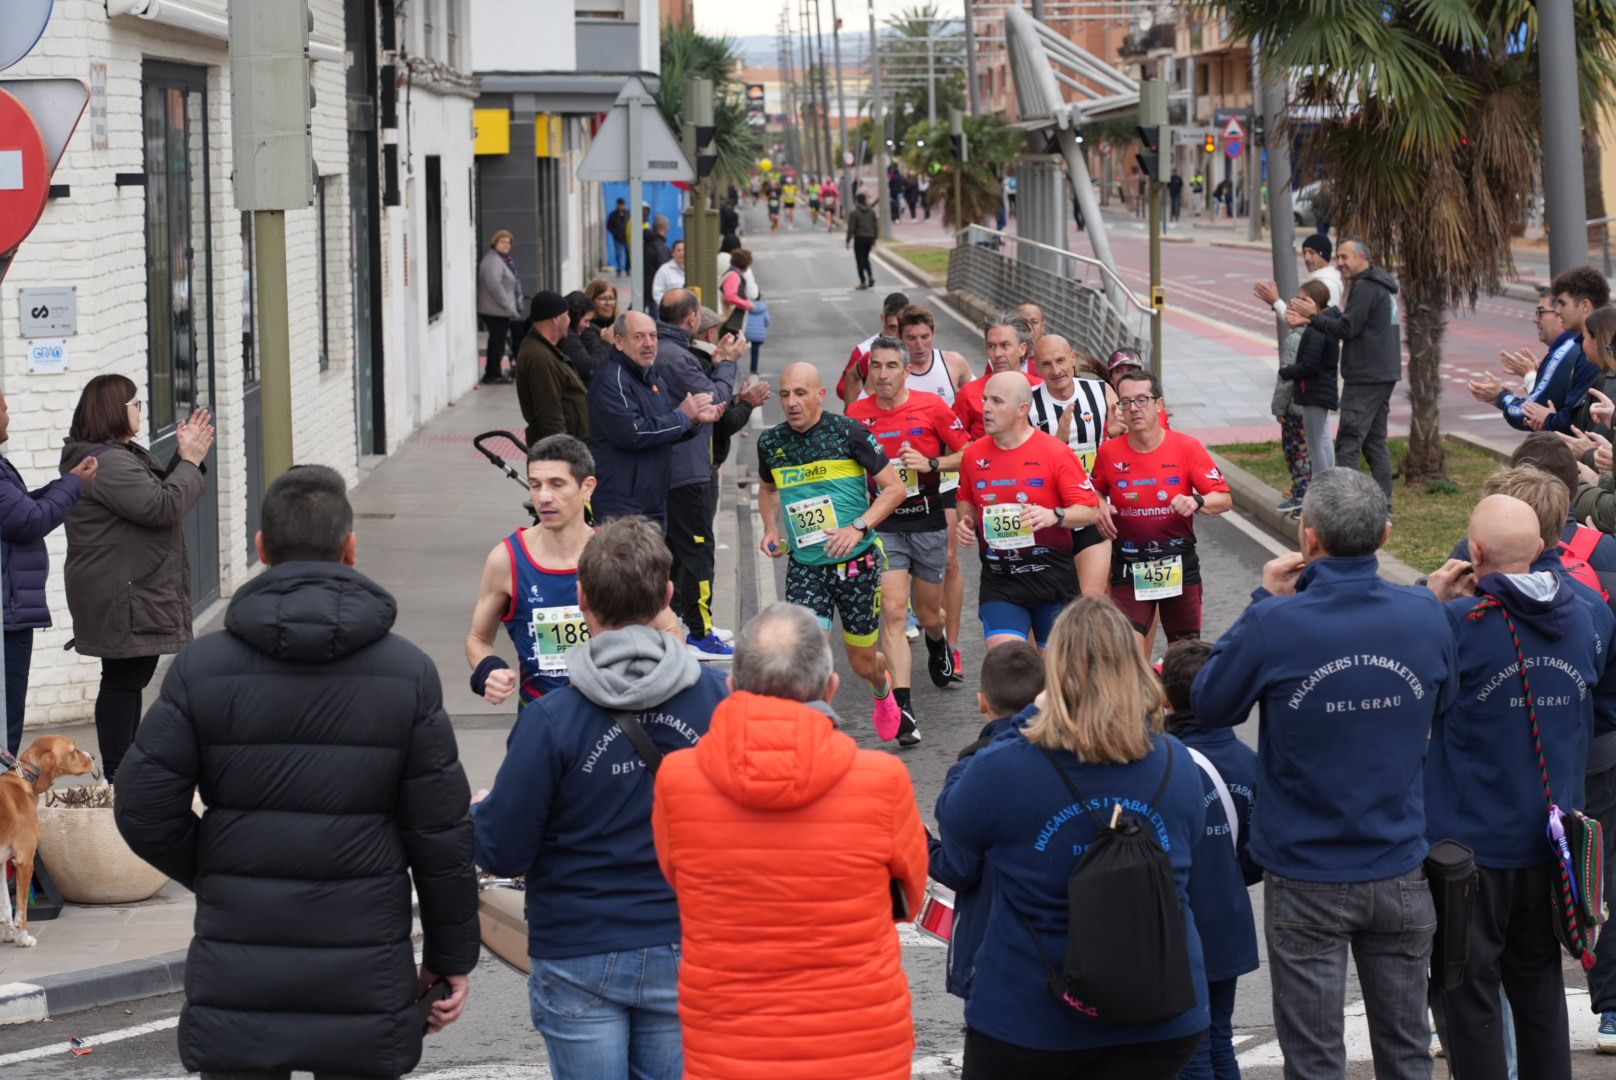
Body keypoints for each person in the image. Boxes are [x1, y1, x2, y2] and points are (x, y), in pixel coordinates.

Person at [114, 465, 477, 1078]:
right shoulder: (408, 673)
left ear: (261, 549)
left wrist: (214, 864)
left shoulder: (202, 668)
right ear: (350, 549)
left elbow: (141, 805)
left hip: (240, 972)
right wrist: (450, 956)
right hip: (363, 968)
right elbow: (439, 832)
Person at [1191, 468, 1457, 1080]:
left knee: (1313, 1058)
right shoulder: (1424, 614)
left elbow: (1209, 705)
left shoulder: (1274, 623)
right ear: (1385, 532)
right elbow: (1444, 704)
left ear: (1308, 539)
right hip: (1398, 862)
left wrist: (1264, 599)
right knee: (1406, 1049)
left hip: (1307, 869)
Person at [474, 516, 727, 1080]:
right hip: (686, 938)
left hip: (578, 944)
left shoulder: (550, 719)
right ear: (666, 595)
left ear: (582, 599)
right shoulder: (717, 702)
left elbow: (503, 852)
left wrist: (478, 812)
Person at [651, 601, 929, 1080]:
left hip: (728, 1050)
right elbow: (907, 899)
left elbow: (677, 877)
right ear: (831, 688)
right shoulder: (882, 781)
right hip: (859, 1048)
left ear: (732, 687)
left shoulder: (679, 780)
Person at [935, 598, 1210, 1078]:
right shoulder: (1177, 762)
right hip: (1162, 1011)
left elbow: (954, 821)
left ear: (1053, 672)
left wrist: (1022, 719)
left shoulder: (1006, 765)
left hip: (1033, 1017)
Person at [1423, 491, 1611, 1080]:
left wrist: (1430, 600)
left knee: (1468, 993)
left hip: (1468, 851)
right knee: (1540, 986)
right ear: (1540, 548)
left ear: (1473, 551)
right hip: (1552, 842)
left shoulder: (1456, 623)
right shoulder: (1586, 616)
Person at [61, 375, 212, 782]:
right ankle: (118, 773)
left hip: (125, 588)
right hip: (120, 592)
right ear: (114, 411)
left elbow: (158, 495)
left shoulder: (120, 455)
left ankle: (124, 770)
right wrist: (191, 462)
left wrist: (185, 459)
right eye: (135, 403)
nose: (139, 410)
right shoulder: (108, 463)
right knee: (124, 680)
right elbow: (162, 506)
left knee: (129, 678)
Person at [758, 363, 907, 738]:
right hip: (807, 566)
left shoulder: (849, 432)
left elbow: (894, 489)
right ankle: (817, 732)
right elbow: (767, 488)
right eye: (785, 394)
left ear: (821, 395)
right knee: (810, 656)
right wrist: (771, 527)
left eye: (801, 393)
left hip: (856, 564)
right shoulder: (771, 442)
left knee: (861, 662)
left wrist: (858, 528)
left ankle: (881, 687)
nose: (791, 403)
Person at [848, 336, 974, 743]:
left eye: (891, 367)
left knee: (929, 611)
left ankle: (938, 644)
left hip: (927, 519)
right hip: (885, 525)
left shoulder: (932, 407)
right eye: (876, 367)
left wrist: (932, 462)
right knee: (897, 614)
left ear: (905, 370)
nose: (882, 375)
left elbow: (970, 453)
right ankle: (903, 710)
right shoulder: (856, 413)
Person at [1161, 640, 1260, 1080]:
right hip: (1230, 916)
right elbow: (1259, 852)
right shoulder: (1250, 762)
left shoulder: (1162, 763)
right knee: (1219, 1035)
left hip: (1180, 923)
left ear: (1166, 698)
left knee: (1188, 1047)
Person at [928, 640, 1044, 1002]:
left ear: (982, 701)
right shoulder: (1073, 760)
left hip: (992, 947)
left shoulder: (970, 773)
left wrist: (921, 843)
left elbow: (959, 868)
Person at [955, 373, 1101, 649]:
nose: (985, 408)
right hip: (1001, 579)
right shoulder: (974, 455)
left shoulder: (1055, 452)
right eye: (985, 399)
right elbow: (967, 500)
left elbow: (1090, 510)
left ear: (1023, 409)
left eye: (996, 401)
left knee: (1055, 674)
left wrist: (1054, 516)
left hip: (1051, 577)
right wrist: (966, 520)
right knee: (1007, 664)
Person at [1091, 371, 1232, 644]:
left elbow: (1224, 498)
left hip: (1178, 565)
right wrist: (1099, 505)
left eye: (1142, 400)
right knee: (1124, 649)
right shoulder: (1109, 452)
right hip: (1129, 567)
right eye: (1126, 402)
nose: (1134, 409)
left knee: (1184, 653)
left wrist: (1197, 500)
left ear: (1159, 404)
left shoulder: (1187, 447)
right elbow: (1094, 488)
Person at [465, 435, 598, 710]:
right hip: (539, 720)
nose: (543, 497)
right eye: (535, 485)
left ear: (587, 488)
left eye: (557, 484)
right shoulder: (506, 559)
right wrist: (488, 670)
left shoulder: (616, 554)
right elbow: (478, 638)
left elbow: (668, 629)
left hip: (608, 720)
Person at [0, 393, 94, 754]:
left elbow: (21, 507)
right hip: (7, 619)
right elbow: (29, 520)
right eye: (4, 409)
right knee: (5, 724)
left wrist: (65, 484)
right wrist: (73, 487)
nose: (9, 416)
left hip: (11, 614)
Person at [656, 290, 744, 659]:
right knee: (697, 552)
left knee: (679, 553)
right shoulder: (677, 356)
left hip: (675, 466)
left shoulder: (665, 350)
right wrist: (726, 363)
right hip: (685, 469)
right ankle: (701, 634)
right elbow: (716, 403)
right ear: (692, 318)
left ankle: (688, 622)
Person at [1286, 236, 1402, 506]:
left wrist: (1313, 317)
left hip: (1366, 375)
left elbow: (1348, 329)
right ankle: (1383, 506)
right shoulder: (1377, 285)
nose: (1339, 263)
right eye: (1338, 257)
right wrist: (1321, 316)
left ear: (1363, 258)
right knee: (1374, 442)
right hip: (1382, 373)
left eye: (1344, 257)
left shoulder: (1365, 287)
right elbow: (1353, 322)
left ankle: (1344, 507)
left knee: (1348, 442)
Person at [892, 305, 974, 674]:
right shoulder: (892, 372)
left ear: (933, 335)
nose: (920, 345)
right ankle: (924, 617)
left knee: (951, 559)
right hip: (904, 483)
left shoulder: (953, 364)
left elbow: (972, 407)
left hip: (946, 476)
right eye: (912, 339)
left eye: (925, 337)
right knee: (909, 565)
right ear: (901, 339)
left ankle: (952, 645)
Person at [588, 311, 723, 525]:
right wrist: (683, 416)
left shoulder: (652, 376)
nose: (649, 343)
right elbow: (633, 433)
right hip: (623, 505)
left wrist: (694, 420)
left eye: (653, 336)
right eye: (639, 337)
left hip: (654, 499)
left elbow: (665, 427)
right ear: (619, 342)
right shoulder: (612, 381)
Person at [1031, 334, 1117, 598]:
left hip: (1093, 510)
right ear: (1036, 366)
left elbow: (1120, 444)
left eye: (1060, 361)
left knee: (1092, 598)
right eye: (1047, 364)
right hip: (1050, 516)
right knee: (1050, 600)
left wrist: (1115, 433)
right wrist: (1056, 444)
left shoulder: (1100, 391)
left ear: (1073, 357)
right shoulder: (1029, 404)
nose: (1056, 371)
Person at [1469, 287, 1596, 434]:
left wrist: (1500, 396)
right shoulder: (1575, 347)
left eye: (1541, 312)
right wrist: (1535, 377)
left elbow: (1529, 412)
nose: (1535, 319)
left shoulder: (1566, 351)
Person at [1276, 279, 1340, 490]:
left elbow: (1309, 366)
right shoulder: (1322, 323)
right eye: (1300, 298)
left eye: (1306, 300)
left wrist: (1286, 371)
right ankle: (1328, 481)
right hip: (1320, 389)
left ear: (1318, 303)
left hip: (1314, 390)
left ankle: (1323, 487)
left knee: (1315, 441)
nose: (1301, 303)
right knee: (1322, 437)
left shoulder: (1316, 330)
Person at [516, 290, 590, 446]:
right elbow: (550, 416)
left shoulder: (544, 350)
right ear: (556, 319)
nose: (569, 321)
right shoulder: (540, 359)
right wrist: (564, 455)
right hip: (559, 454)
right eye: (567, 315)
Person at [953, 312, 1043, 441]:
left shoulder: (1041, 388)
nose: (997, 353)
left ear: (1022, 349)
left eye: (1005, 345)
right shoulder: (968, 393)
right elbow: (953, 446)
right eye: (991, 346)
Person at [837, 291, 909, 407]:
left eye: (901, 329)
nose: (896, 335)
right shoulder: (864, 350)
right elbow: (842, 386)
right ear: (883, 319)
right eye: (892, 328)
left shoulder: (916, 350)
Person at [1254, 233, 1344, 315]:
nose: (1307, 258)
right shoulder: (1323, 278)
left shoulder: (1326, 284)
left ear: (1323, 255)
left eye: (1312, 253)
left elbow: (1296, 319)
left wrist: (1275, 301)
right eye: (1304, 253)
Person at [477, 230, 522, 385]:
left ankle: (492, 372)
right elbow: (494, 285)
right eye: (502, 241)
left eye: (508, 242)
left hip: (499, 310)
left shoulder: (502, 260)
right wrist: (508, 306)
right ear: (494, 243)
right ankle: (493, 374)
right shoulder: (493, 261)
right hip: (495, 310)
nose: (506, 245)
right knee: (497, 343)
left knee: (497, 342)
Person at [561, 291, 605, 384]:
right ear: (574, 318)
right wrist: (606, 344)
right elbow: (589, 369)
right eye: (586, 321)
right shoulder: (567, 338)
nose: (588, 325)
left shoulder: (571, 333)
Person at [847, 191, 879, 290]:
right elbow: (875, 225)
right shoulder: (872, 211)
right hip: (870, 238)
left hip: (859, 238)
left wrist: (848, 240)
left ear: (857, 200)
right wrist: (875, 238)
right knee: (866, 258)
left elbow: (851, 228)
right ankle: (870, 276)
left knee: (859, 260)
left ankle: (862, 281)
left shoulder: (854, 212)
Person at [642, 215, 673, 313]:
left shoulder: (645, 243)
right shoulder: (661, 247)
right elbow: (665, 270)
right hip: (656, 291)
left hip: (645, 287)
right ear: (666, 228)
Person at [650, 238, 686, 308]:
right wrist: (668, 307)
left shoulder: (694, 269)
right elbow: (657, 293)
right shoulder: (664, 270)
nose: (682, 253)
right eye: (678, 250)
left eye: (684, 250)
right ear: (672, 253)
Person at [719, 248, 755, 317]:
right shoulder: (734, 276)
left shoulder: (731, 273)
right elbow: (730, 296)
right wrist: (746, 304)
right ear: (746, 264)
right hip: (730, 316)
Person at [742, 292, 770, 375]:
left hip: (747, 333)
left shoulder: (747, 307)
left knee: (741, 350)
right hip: (759, 335)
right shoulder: (764, 309)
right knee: (755, 352)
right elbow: (767, 322)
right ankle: (753, 369)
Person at [606, 197, 630, 276]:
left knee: (628, 254)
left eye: (623, 205)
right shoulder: (612, 215)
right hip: (617, 238)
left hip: (627, 237)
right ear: (617, 205)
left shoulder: (628, 213)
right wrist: (615, 232)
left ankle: (627, 269)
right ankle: (619, 270)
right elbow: (609, 226)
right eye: (620, 205)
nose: (622, 207)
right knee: (618, 254)